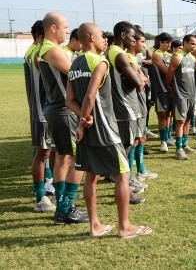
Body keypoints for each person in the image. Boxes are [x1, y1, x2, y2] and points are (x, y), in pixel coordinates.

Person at [66, 22, 152, 238]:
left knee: (91, 175)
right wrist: (85, 120)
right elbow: (90, 96)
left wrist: (82, 123)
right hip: (105, 129)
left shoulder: (74, 63)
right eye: (101, 35)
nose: (105, 38)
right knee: (123, 173)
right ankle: (125, 227)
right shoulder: (100, 62)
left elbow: (69, 100)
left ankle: (95, 225)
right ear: (92, 38)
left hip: (86, 129)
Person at [37, 12, 89, 225]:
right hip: (63, 110)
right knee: (76, 159)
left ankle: (63, 208)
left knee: (63, 157)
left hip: (57, 109)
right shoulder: (51, 50)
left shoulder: (52, 49)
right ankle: (65, 209)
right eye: (65, 27)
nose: (68, 31)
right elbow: (75, 75)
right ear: (52, 28)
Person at [107, 21, 148, 203]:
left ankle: (126, 186)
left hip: (123, 108)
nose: (134, 40)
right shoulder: (118, 54)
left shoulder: (115, 52)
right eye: (132, 37)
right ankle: (124, 191)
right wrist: (140, 78)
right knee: (123, 151)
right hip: (124, 108)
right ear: (123, 36)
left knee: (125, 148)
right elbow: (139, 83)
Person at [24, 20, 56, 212]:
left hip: (44, 110)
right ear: (41, 33)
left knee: (49, 152)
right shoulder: (38, 52)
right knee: (42, 153)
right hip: (42, 111)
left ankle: (51, 186)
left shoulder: (34, 51)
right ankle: (40, 198)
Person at [128, 28, 157, 182]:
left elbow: (142, 78)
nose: (145, 45)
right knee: (134, 140)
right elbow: (140, 83)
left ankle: (140, 170)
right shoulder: (128, 58)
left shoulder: (136, 58)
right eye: (143, 42)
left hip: (141, 102)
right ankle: (131, 177)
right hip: (133, 104)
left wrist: (143, 77)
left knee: (141, 137)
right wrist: (144, 77)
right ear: (133, 42)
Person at [166, 34, 196, 160]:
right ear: (185, 43)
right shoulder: (177, 56)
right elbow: (169, 75)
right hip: (180, 94)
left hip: (192, 94)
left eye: (195, 44)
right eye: (192, 43)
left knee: (188, 120)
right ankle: (178, 149)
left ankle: (184, 144)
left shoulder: (192, 57)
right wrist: (170, 87)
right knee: (180, 121)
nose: (193, 46)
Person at [152, 32, 174, 152]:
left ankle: (168, 136)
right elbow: (166, 71)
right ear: (160, 42)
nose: (169, 45)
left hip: (171, 88)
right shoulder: (156, 54)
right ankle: (163, 142)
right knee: (162, 115)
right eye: (166, 42)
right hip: (161, 89)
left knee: (169, 114)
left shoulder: (170, 55)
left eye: (170, 43)